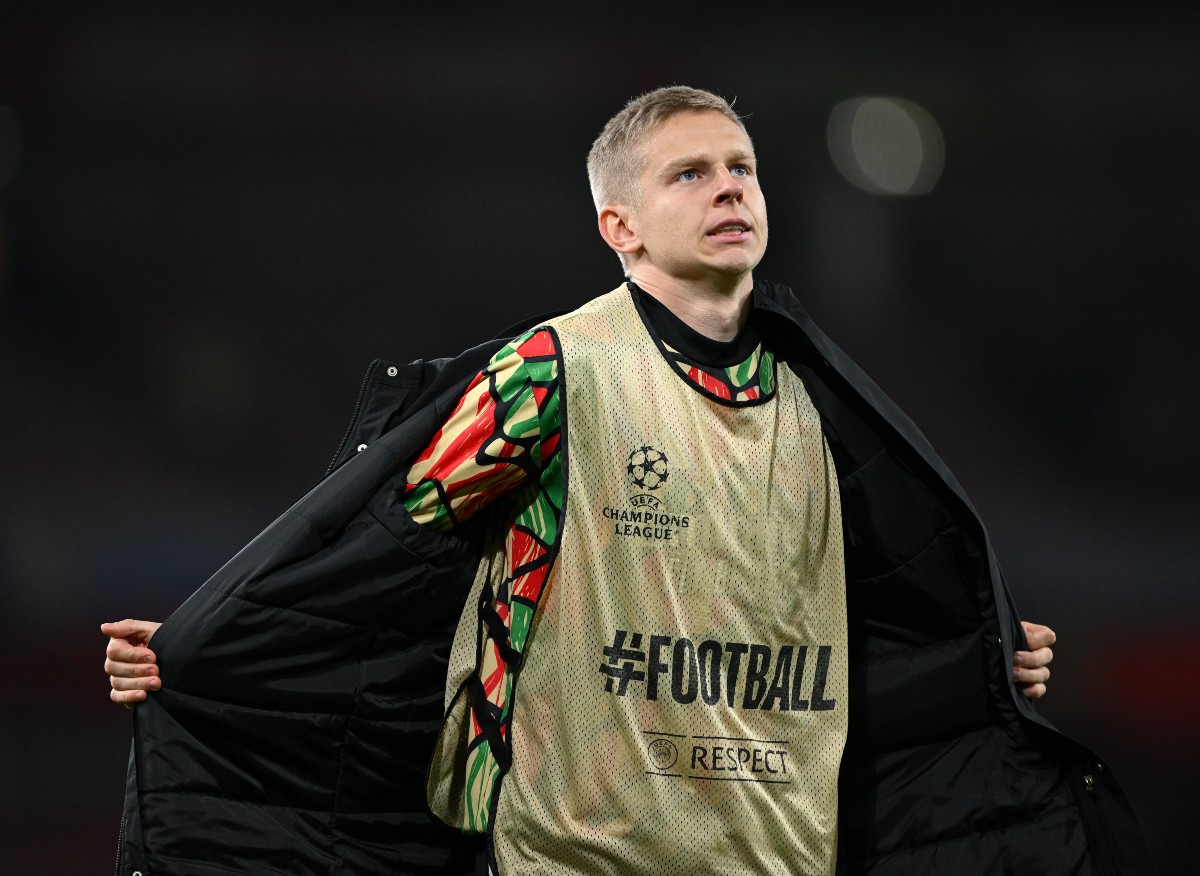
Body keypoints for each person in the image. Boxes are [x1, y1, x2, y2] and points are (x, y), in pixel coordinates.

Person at [103, 87, 1150, 875]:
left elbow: (882, 615)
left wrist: (989, 658)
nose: (731, 185)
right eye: (689, 173)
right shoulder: (548, 378)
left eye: (741, 166)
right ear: (622, 228)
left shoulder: (829, 406)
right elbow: (373, 551)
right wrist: (205, 644)